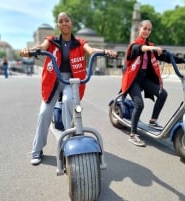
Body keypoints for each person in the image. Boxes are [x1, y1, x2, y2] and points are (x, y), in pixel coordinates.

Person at [20, 12, 117, 165]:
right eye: (61, 21)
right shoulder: (51, 40)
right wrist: (30, 50)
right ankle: (37, 149)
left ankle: (68, 143)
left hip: (71, 80)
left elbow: (91, 51)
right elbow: (42, 47)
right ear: (58, 25)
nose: (64, 23)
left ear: (71, 23)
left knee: (68, 102)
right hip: (53, 79)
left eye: (66, 20)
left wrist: (106, 52)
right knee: (44, 112)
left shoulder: (79, 42)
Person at [121, 20, 185, 147]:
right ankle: (133, 134)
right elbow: (140, 49)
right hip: (133, 80)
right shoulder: (134, 45)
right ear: (139, 29)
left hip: (144, 79)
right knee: (139, 105)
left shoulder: (151, 46)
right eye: (145, 28)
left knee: (163, 94)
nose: (147, 31)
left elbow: (167, 57)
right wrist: (152, 48)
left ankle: (153, 121)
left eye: (149, 29)